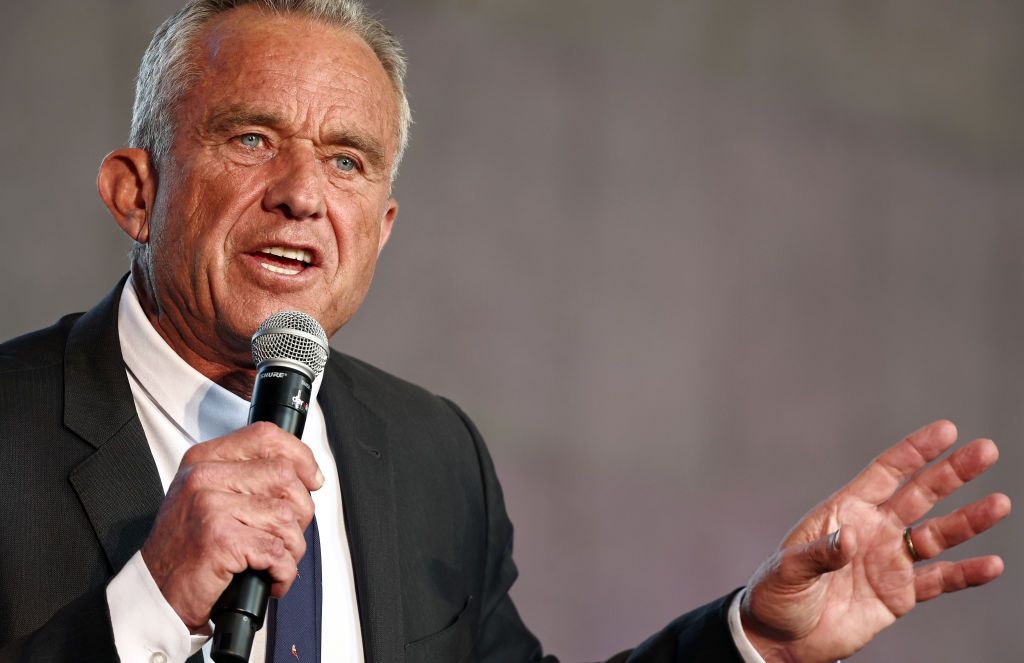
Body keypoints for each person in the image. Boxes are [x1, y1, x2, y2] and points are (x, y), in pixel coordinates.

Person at [0, 1, 1010, 662]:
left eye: (348, 161)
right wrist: (147, 607)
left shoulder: (432, 455)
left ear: (379, 231)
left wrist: (752, 640)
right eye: (251, 139)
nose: (303, 194)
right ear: (135, 192)